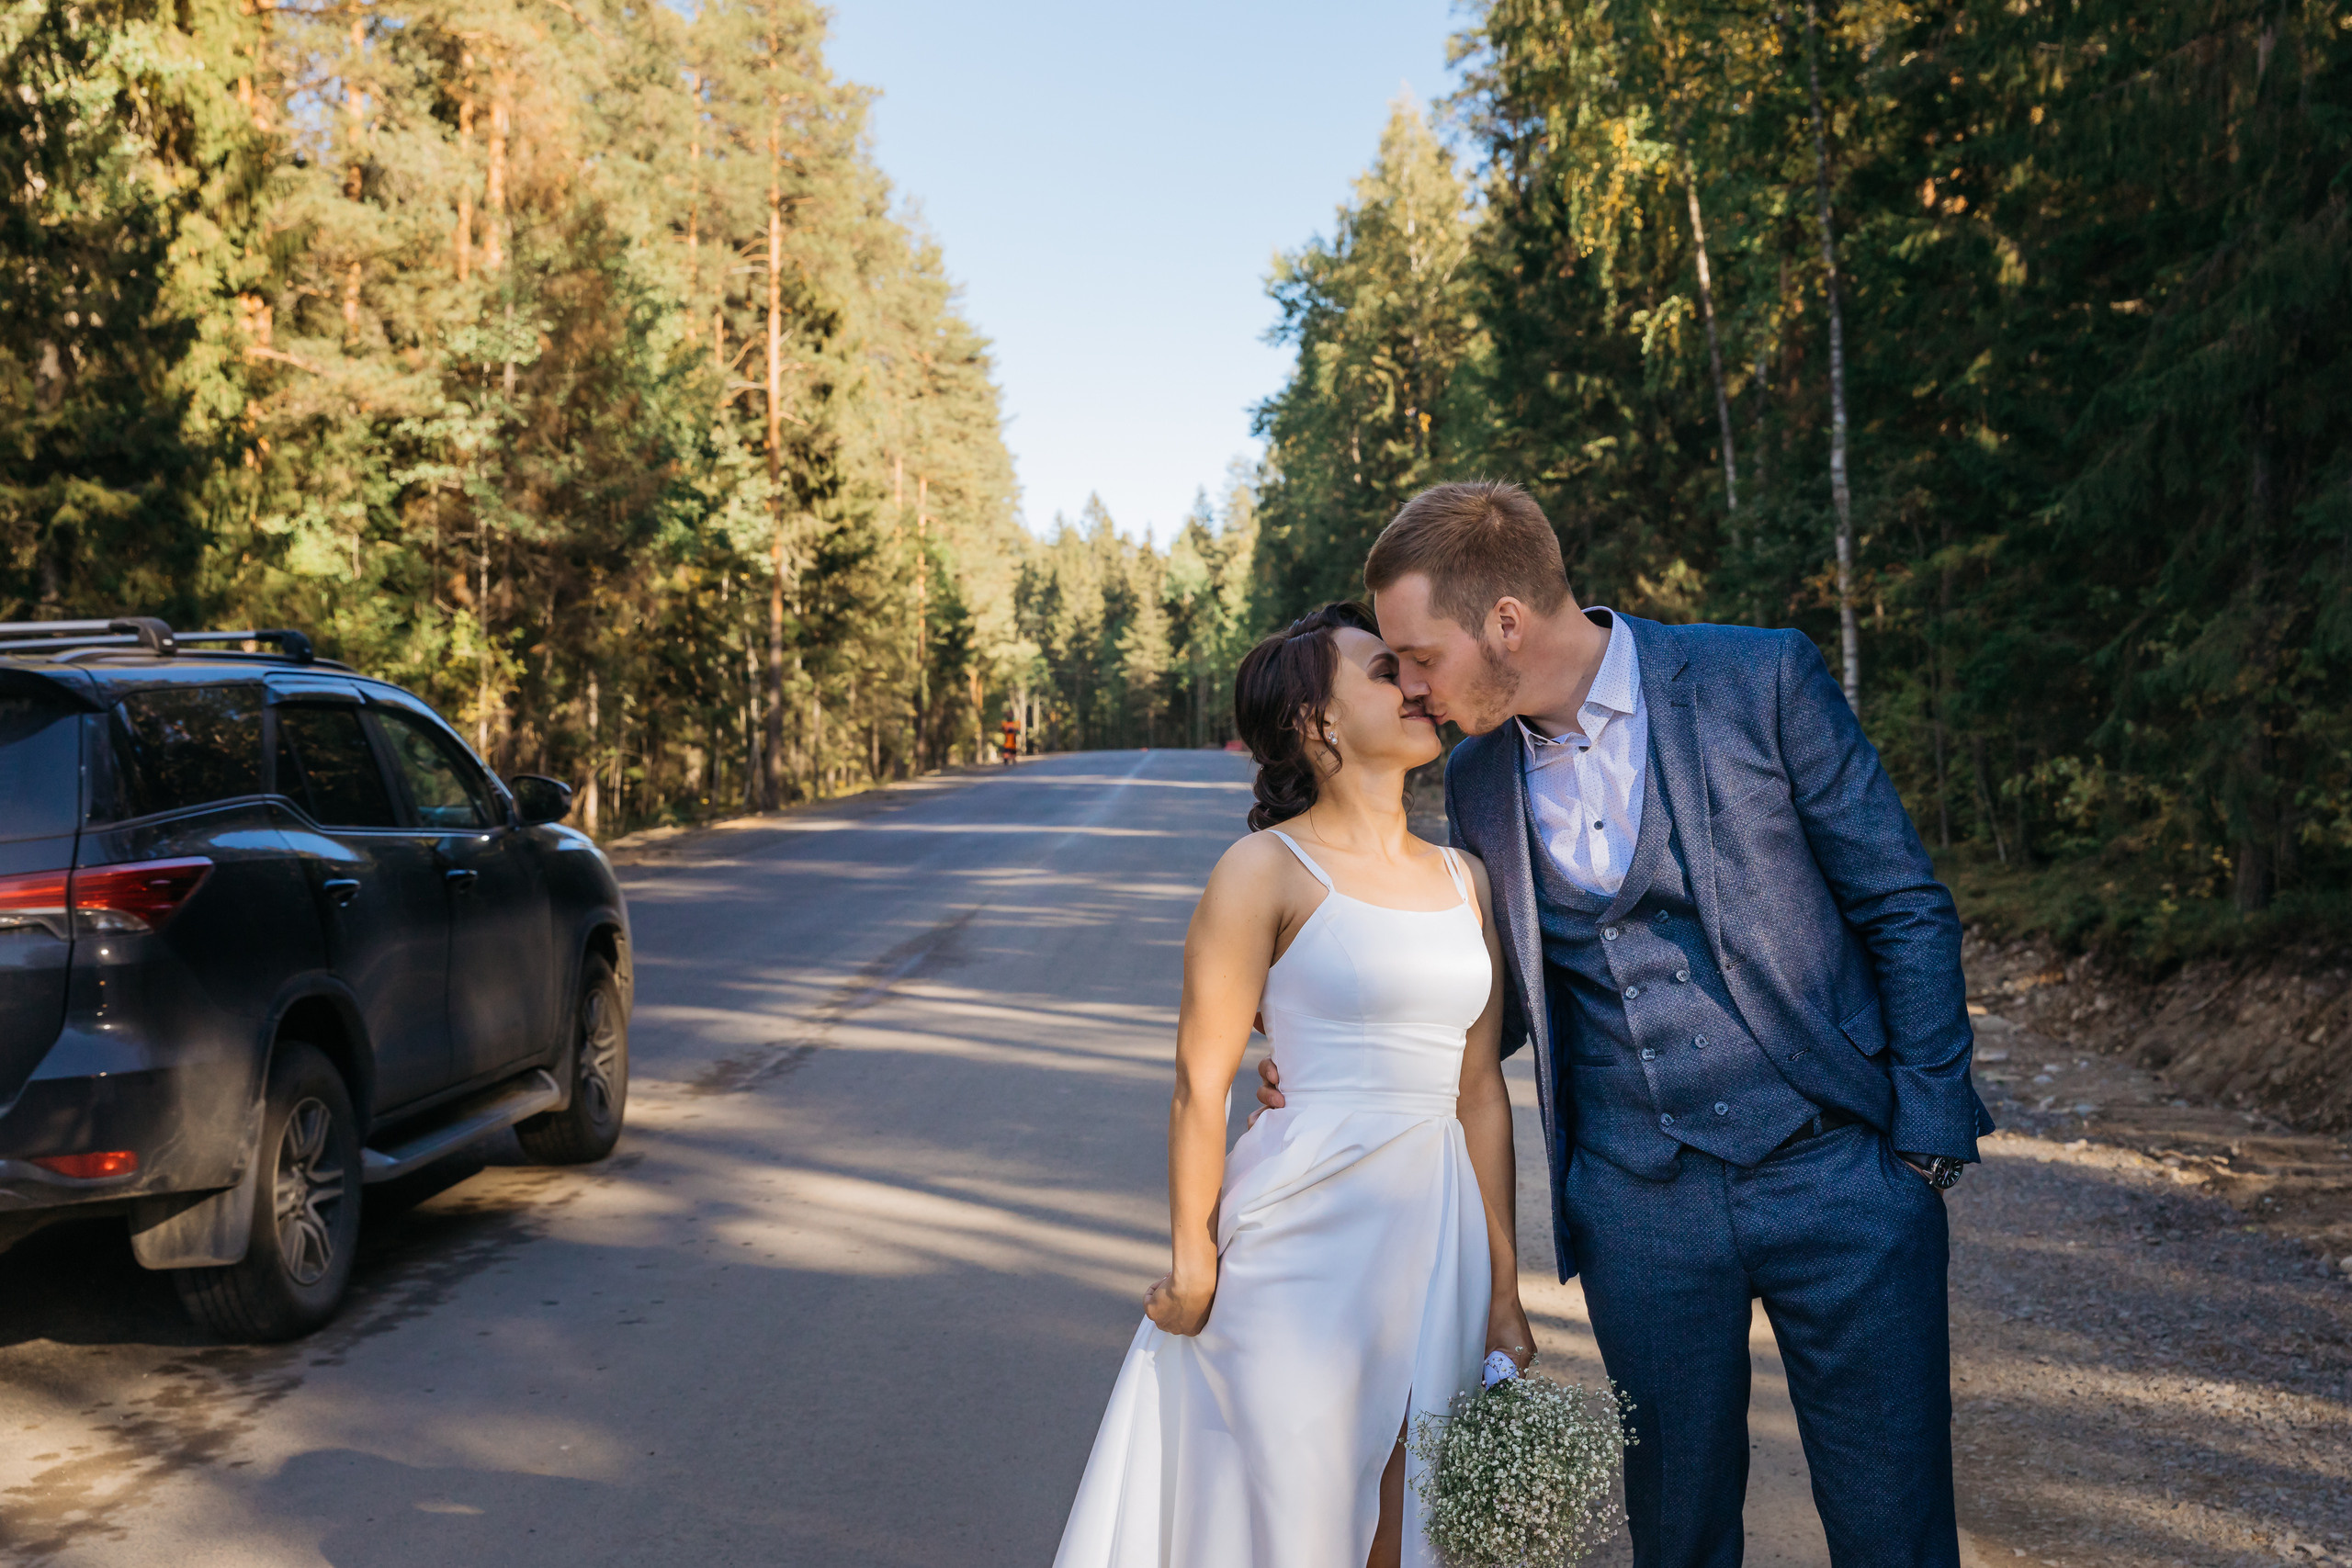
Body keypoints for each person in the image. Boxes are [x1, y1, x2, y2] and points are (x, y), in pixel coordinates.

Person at [1259, 480, 1988, 1568]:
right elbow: (1498, 1001)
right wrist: (1333, 1061)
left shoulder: (1757, 679)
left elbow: (1902, 903)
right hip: (1639, 1209)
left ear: (1507, 622)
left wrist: (1924, 1146)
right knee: (1675, 1535)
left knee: (1894, 1529)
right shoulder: (1479, 772)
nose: (1409, 686)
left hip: (1840, 1175)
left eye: (1418, 655)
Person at [1054, 604, 1533, 1568]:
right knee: (1292, 1518)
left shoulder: (1466, 878)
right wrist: (1194, 1264)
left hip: (1435, 1237)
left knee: (1408, 1514)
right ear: (1316, 722)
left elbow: (1479, 1092)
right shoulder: (1261, 870)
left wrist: (1502, 1289)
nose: (1415, 684)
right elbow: (1198, 1084)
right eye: (1384, 671)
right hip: (1300, 1238)